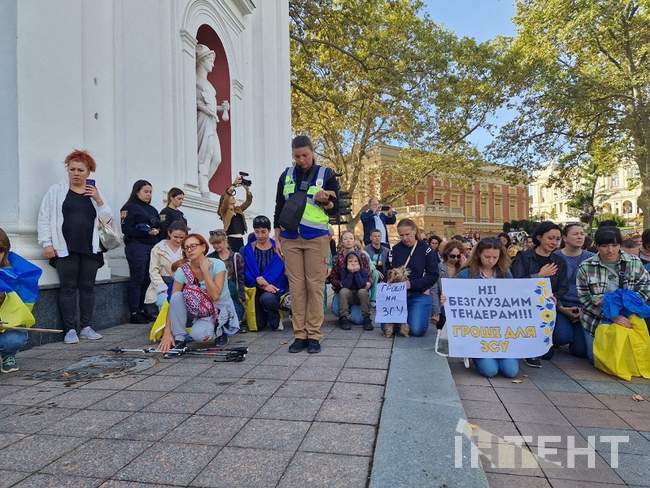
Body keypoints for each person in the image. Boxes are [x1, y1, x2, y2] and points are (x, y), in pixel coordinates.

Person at [37, 149, 112, 344]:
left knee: (87, 287)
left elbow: (107, 219)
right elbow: (44, 217)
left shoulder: (94, 192)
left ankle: (86, 327)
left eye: (80, 170)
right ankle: (70, 329)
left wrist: (98, 199)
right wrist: (46, 243)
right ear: (67, 170)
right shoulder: (56, 191)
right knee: (68, 288)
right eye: (72, 169)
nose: (76, 173)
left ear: (89, 172)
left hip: (90, 249)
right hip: (64, 248)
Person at [273, 135, 339, 354]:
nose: (301, 160)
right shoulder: (286, 175)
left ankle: (314, 335)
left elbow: (336, 210)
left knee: (315, 286)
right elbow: (279, 206)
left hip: (316, 237)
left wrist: (327, 201)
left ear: (313, 153)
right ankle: (299, 335)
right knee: (297, 287)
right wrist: (277, 234)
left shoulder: (326, 174)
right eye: (297, 156)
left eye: (305, 155)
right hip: (290, 237)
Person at [577, 226, 650, 363]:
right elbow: (584, 299)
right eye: (604, 246)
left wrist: (628, 308)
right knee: (597, 359)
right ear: (596, 245)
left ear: (620, 245)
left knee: (630, 358)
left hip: (630, 315)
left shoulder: (634, 262)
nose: (610, 250)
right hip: (596, 319)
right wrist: (612, 314)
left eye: (614, 245)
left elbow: (646, 288)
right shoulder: (585, 267)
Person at [159, 233, 239, 352]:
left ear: (203, 247)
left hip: (219, 308)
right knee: (176, 296)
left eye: (193, 246)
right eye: (186, 248)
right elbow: (173, 302)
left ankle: (220, 331)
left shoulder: (218, 265)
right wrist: (167, 332)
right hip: (199, 309)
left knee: (199, 336)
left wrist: (205, 271)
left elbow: (215, 296)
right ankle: (180, 339)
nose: (189, 250)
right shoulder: (183, 270)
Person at [456, 238, 518, 378]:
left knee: (511, 371)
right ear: (478, 255)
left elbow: (516, 298)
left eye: (495, 257)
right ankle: (476, 356)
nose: (491, 261)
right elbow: (455, 304)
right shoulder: (466, 275)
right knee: (490, 371)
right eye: (487, 257)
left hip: (501, 332)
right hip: (477, 333)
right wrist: (446, 301)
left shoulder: (505, 274)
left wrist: (542, 299)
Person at [511, 221, 567, 368]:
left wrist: (556, 296)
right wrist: (539, 275)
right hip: (524, 306)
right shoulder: (523, 257)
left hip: (547, 307)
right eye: (550, 238)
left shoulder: (559, 261)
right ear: (540, 237)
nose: (554, 242)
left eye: (557, 238)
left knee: (548, 353)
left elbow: (563, 286)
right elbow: (515, 283)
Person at [385, 219, 439, 338]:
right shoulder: (394, 250)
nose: (405, 238)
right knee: (387, 329)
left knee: (416, 330)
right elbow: (387, 271)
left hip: (418, 294)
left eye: (407, 234)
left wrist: (411, 284)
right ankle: (405, 316)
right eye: (401, 235)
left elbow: (433, 275)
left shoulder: (427, 250)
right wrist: (389, 281)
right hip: (397, 296)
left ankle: (410, 314)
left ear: (414, 231)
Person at [0, 229, 42, 372]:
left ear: (5, 251)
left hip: (6, 324)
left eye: (0, 249)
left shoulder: (16, 273)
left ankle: (8, 355)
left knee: (15, 338)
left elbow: (22, 309)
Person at [121, 180, 161, 324]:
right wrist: (145, 232)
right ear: (137, 191)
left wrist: (157, 230)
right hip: (137, 246)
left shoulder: (152, 209)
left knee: (147, 278)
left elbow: (159, 224)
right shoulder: (129, 208)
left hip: (151, 247)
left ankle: (143, 309)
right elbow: (126, 229)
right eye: (145, 191)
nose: (148, 194)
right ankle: (134, 311)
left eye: (150, 192)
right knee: (137, 278)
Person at [553, 223, 593, 357]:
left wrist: (585, 309)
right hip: (561, 306)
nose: (580, 237)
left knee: (580, 351)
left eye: (582, 234)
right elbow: (551, 287)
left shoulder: (591, 258)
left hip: (584, 307)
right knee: (561, 337)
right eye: (575, 234)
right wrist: (560, 307)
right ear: (565, 238)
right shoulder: (555, 257)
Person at [242, 216, 289, 331]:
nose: (260, 235)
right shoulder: (248, 249)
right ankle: (264, 312)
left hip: (274, 289)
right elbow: (246, 271)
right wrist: (259, 281)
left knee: (267, 299)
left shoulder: (277, 249)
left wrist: (267, 285)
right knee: (259, 325)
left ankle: (274, 313)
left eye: (263, 232)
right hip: (255, 289)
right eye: (257, 232)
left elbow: (279, 270)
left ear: (269, 231)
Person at [330, 231, 373, 330]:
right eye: (345, 239)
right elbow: (333, 277)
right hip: (345, 290)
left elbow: (368, 274)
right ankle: (343, 317)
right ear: (341, 242)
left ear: (354, 241)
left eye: (351, 238)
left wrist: (368, 283)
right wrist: (340, 284)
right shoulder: (337, 258)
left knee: (358, 320)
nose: (348, 241)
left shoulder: (362, 256)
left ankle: (366, 317)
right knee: (337, 308)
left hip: (360, 290)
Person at [144, 221, 187, 312]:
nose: (178, 240)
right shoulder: (159, 248)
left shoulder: (187, 248)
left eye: (182, 237)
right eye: (175, 237)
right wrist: (162, 288)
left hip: (182, 285)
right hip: (163, 284)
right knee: (164, 313)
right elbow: (153, 270)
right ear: (169, 233)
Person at [207, 230, 246, 331]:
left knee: (236, 314)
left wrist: (242, 296)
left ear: (225, 241)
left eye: (218, 242)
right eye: (213, 243)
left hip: (233, 294)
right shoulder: (210, 258)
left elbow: (241, 278)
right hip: (217, 294)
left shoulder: (236, 257)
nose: (216, 246)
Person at [431, 240, 465, 329]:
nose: (456, 259)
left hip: (460, 307)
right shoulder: (438, 268)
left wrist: (463, 266)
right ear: (446, 254)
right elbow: (434, 290)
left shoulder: (463, 270)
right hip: (443, 306)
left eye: (458, 256)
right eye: (453, 256)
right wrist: (436, 312)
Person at [218, 175, 252, 252]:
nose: (233, 197)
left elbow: (248, 202)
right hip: (231, 240)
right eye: (231, 196)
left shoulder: (238, 209)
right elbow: (226, 198)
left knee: (241, 260)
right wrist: (234, 185)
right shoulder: (224, 211)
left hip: (240, 240)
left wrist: (247, 190)